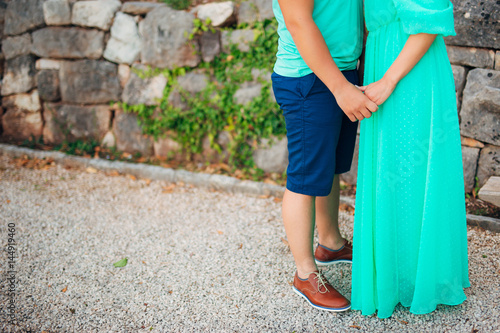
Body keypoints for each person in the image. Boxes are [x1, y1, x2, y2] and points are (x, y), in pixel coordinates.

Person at [351, 0, 470, 318]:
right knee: (393, 173)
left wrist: (389, 79)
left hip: (408, 73)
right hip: (384, 59)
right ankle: (397, 273)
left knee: (412, 172)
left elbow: (429, 19)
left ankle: (421, 276)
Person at [271, 0, 378, 311]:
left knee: (329, 169)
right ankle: (305, 274)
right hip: (309, 77)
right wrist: (340, 88)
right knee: (306, 177)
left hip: (342, 73)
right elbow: (299, 22)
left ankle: (330, 243)